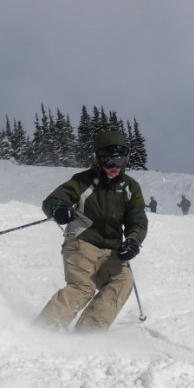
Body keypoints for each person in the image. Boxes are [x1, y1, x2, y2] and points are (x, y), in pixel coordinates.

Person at [36, 130, 148, 332]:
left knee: (123, 280)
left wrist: (133, 241)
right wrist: (58, 209)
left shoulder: (130, 187)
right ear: (97, 159)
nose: (114, 167)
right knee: (83, 287)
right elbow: (53, 200)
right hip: (82, 242)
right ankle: (42, 329)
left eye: (119, 161)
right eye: (108, 161)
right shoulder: (82, 181)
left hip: (113, 250)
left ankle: (90, 331)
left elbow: (137, 219)